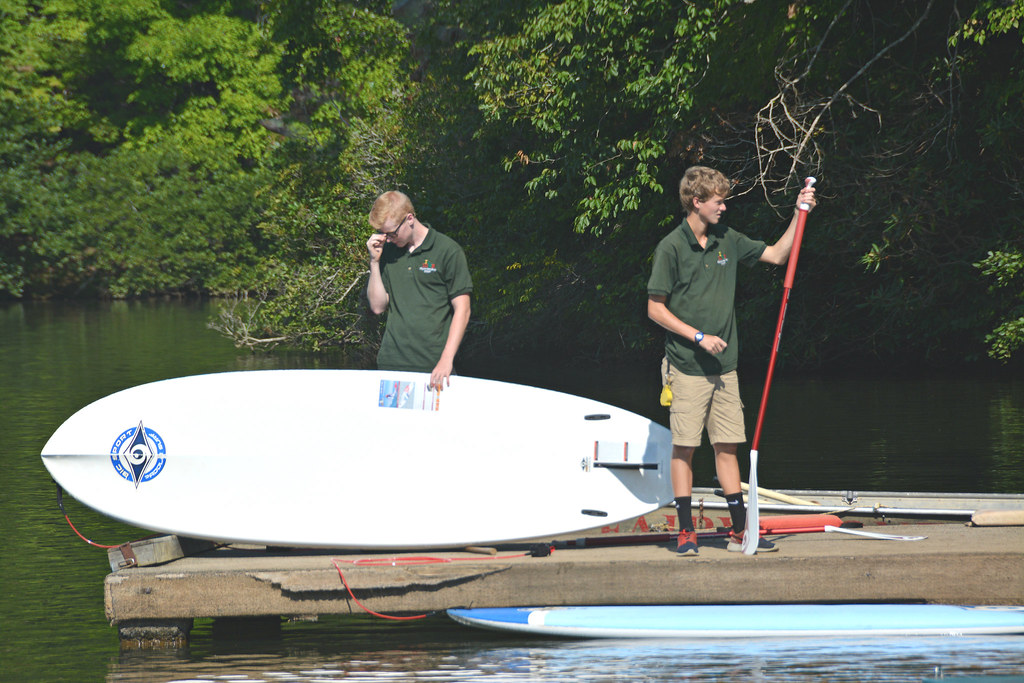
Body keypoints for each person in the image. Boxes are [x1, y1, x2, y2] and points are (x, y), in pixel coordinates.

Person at [647, 167, 816, 555]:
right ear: (697, 202)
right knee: (685, 447)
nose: (724, 207)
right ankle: (686, 530)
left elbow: (777, 254)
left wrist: (798, 213)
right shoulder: (671, 247)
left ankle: (740, 529)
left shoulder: (728, 239)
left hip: (726, 369)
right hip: (687, 367)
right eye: (718, 201)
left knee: (727, 446)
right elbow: (656, 310)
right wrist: (698, 336)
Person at [366, 191, 473, 389]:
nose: (387, 239)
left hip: (434, 368)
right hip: (391, 364)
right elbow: (377, 306)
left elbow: (463, 310)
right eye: (384, 234)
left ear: (410, 219)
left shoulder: (447, 250)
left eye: (392, 233)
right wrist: (374, 262)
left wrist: (446, 360)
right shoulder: (386, 253)